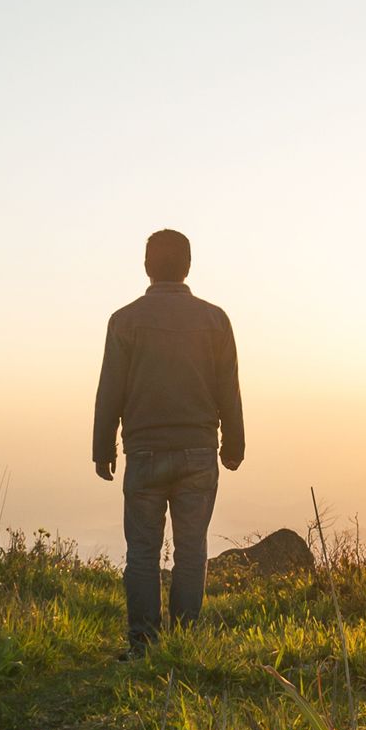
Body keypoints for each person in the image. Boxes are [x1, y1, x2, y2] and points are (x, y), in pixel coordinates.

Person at [92, 228, 244, 654]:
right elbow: (228, 387)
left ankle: (143, 644)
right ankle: (185, 644)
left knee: (142, 553)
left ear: (146, 266)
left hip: (144, 452)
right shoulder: (215, 320)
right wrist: (234, 444)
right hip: (198, 452)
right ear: (188, 266)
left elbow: (110, 389)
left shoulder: (124, 321)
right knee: (191, 552)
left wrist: (102, 448)